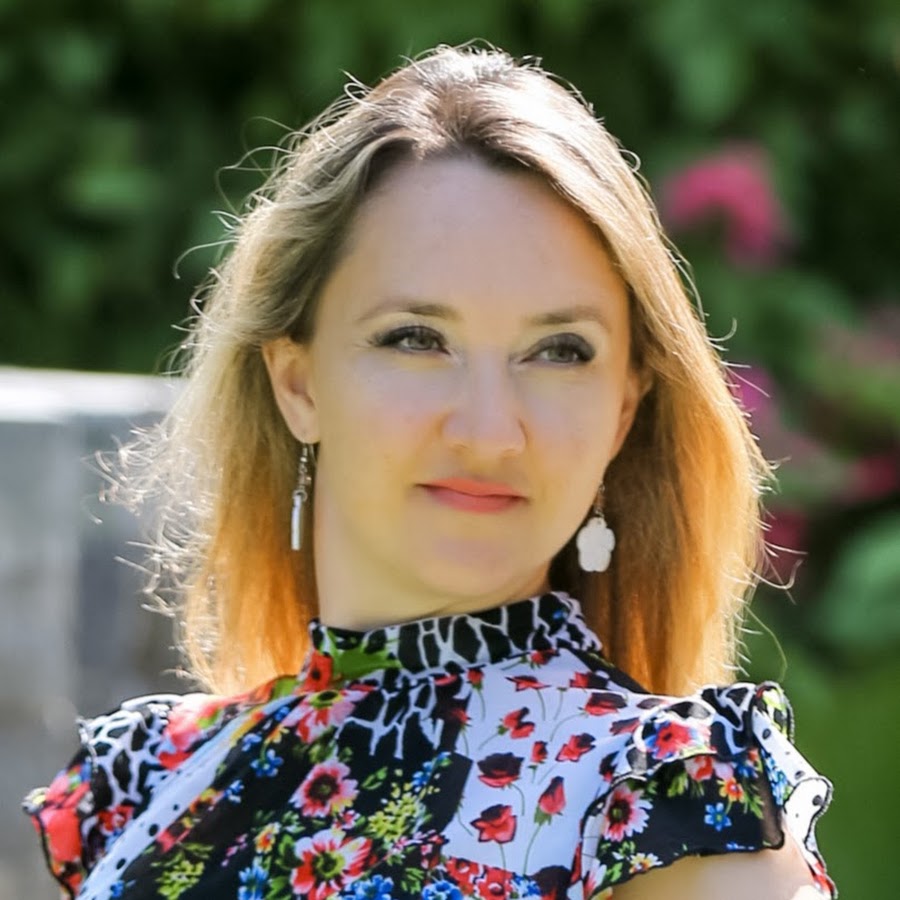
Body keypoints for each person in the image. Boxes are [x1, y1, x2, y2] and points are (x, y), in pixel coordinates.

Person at [24, 45, 835, 899]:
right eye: (417, 339)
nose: (489, 432)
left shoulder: (672, 803)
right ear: (298, 383)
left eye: (560, 351)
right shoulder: (147, 784)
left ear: (623, 412)